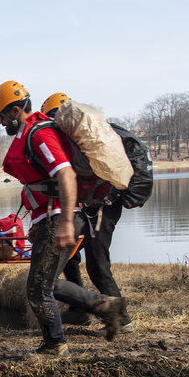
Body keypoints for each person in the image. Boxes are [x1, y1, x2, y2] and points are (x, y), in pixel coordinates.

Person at [0, 80, 125, 357]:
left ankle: (55, 344)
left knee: (38, 290)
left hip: (60, 218)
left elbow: (65, 174)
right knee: (46, 283)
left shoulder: (39, 134)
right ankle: (105, 307)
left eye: (2, 117)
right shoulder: (31, 133)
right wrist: (37, 225)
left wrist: (63, 222)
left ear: (16, 111)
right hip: (50, 219)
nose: (1, 123)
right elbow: (40, 185)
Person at [41, 92, 133, 333]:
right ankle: (79, 311)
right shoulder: (79, 139)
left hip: (104, 207)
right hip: (93, 207)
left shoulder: (79, 140)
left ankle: (121, 321)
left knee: (97, 264)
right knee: (69, 254)